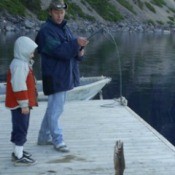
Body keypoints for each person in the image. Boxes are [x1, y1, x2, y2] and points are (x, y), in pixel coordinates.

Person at [35, 0, 89, 152]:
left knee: (53, 108)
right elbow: (60, 51)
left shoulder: (66, 29)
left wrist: (80, 51)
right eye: (56, 12)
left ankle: (43, 137)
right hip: (54, 76)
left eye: (62, 12)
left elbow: (72, 52)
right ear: (50, 12)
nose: (59, 15)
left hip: (64, 76)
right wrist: (75, 44)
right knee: (56, 109)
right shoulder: (46, 31)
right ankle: (58, 140)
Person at [5, 36, 38, 166]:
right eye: (31, 51)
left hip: (21, 104)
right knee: (21, 128)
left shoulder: (22, 63)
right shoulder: (19, 65)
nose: (33, 53)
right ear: (23, 50)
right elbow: (19, 86)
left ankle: (18, 151)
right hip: (20, 105)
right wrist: (24, 104)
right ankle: (18, 156)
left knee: (19, 127)